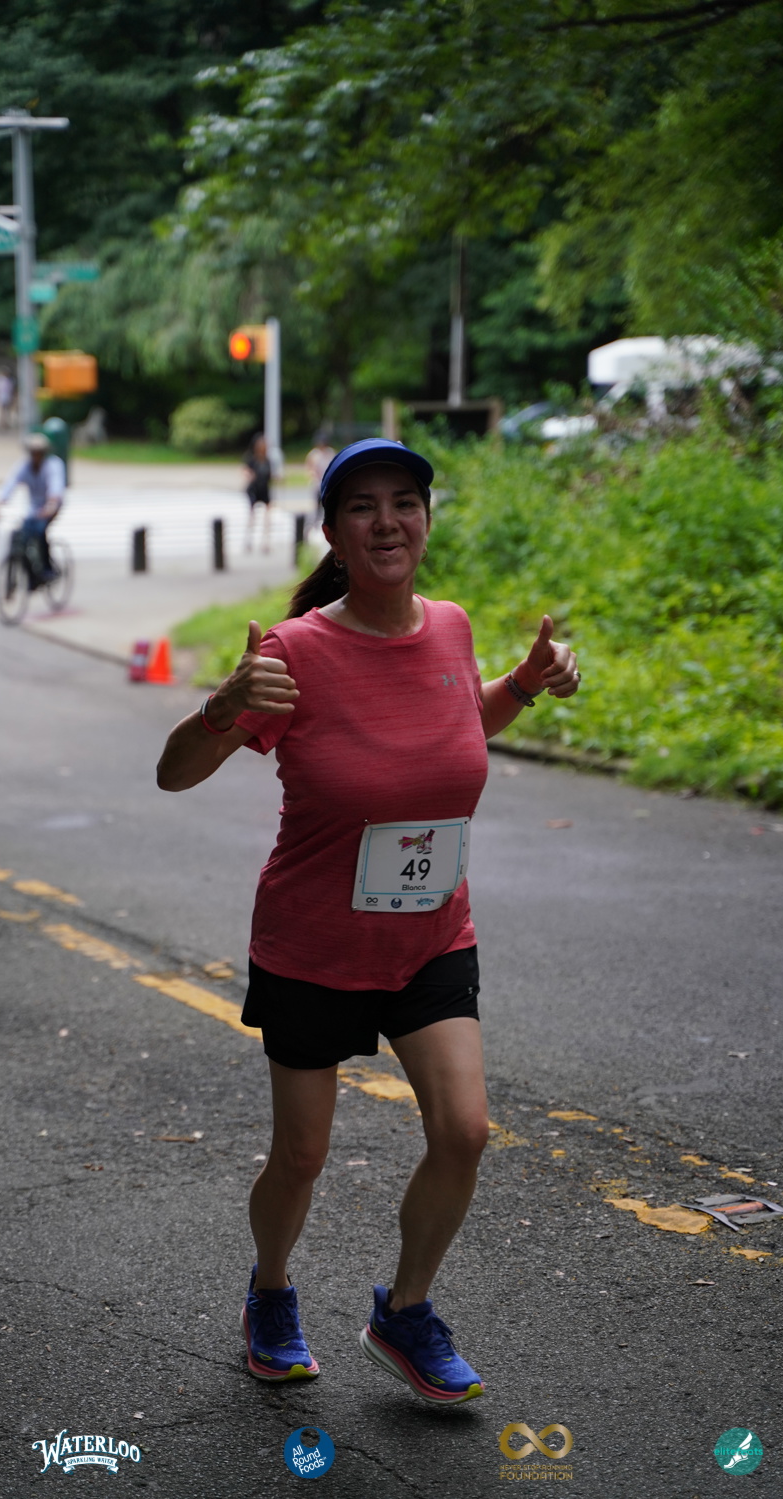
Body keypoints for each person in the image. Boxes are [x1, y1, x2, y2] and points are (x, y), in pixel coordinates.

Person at [156, 437, 582, 1405]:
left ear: (425, 520)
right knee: (302, 1155)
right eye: (362, 506)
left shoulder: (452, 626)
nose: (387, 521)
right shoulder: (292, 651)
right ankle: (270, 1292)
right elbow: (173, 773)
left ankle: (406, 1309)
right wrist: (221, 706)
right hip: (313, 943)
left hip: (430, 933)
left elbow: (456, 728)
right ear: (333, 533)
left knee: (464, 1129)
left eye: (404, 502)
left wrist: (520, 684)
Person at [0, 433, 66, 586]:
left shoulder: (53, 465)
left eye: (38, 453)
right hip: (33, 508)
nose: (35, 456)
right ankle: (31, 576)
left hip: (50, 506)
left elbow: (55, 486)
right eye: (33, 453)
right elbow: (11, 483)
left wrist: (51, 505)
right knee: (21, 535)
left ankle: (47, 569)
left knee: (40, 532)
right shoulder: (24, 466)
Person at [243, 432, 272, 553]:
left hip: (264, 489)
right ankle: (248, 540)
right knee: (252, 516)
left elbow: (270, 476)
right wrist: (249, 475)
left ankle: (265, 542)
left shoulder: (267, 461)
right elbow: (245, 470)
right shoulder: (252, 459)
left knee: (267, 516)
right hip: (254, 489)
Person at [304, 430, 336, 532]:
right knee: (316, 505)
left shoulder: (330, 453)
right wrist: (314, 476)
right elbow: (310, 468)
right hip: (317, 483)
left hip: (328, 483)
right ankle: (314, 524)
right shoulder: (314, 454)